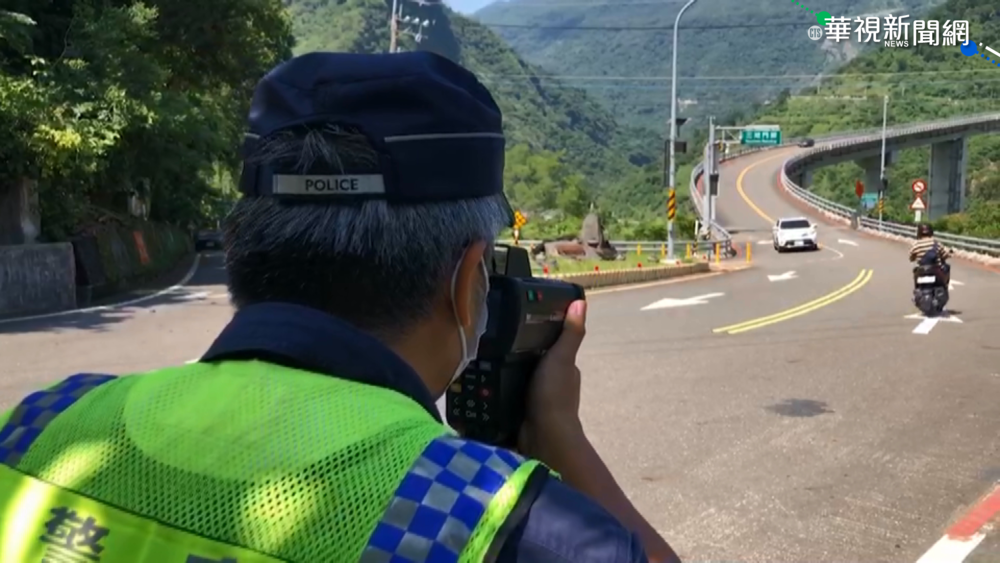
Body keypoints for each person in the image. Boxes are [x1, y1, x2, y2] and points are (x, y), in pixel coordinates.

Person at [0, 52, 679, 563]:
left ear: (236, 245)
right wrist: (565, 445)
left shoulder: (41, 427)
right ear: (469, 280)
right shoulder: (493, 521)